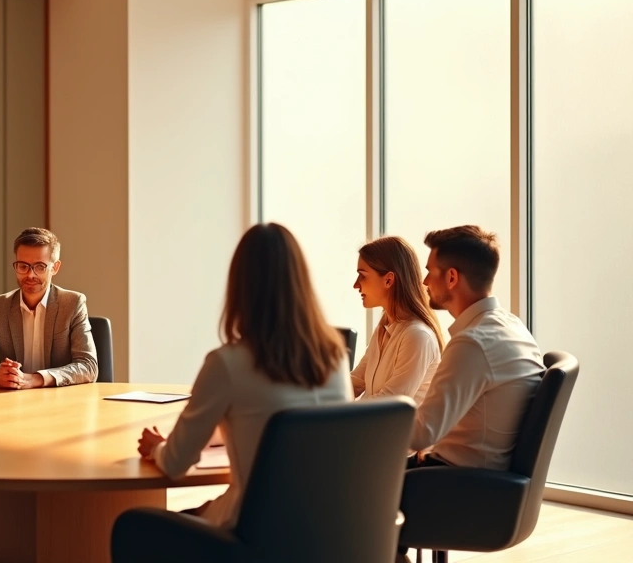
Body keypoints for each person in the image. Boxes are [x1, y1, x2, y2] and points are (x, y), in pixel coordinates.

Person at [135, 223, 352, 528]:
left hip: (256, 537)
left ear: (240, 286)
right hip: (331, 534)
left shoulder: (227, 363)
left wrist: (157, 446)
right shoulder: (335, 357)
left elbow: (176, 463)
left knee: (133, 525)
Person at [409, 225, 544, 469]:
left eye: (429, 271)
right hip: (481, 477)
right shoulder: (513, 326)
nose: (425, 281)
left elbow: (421, 434)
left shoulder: (472, 344)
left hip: (451, 482)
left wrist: (368, 419)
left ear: (451, 277)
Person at [0, 227, 97, 388]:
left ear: (55, 267)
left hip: (61, 403)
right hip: (13, 403)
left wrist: (34, 379)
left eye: (40, 266)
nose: (30, 275)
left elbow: (88, 367)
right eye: (23, 266)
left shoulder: (72, 303)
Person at [351, 236, 443, 403]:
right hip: (373, 427)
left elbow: (390, 405)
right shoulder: (384, 328)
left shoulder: (417, 336)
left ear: (388, 280)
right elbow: (356, 382)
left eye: (362, 276)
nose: (356, 285)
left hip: (396, 429)